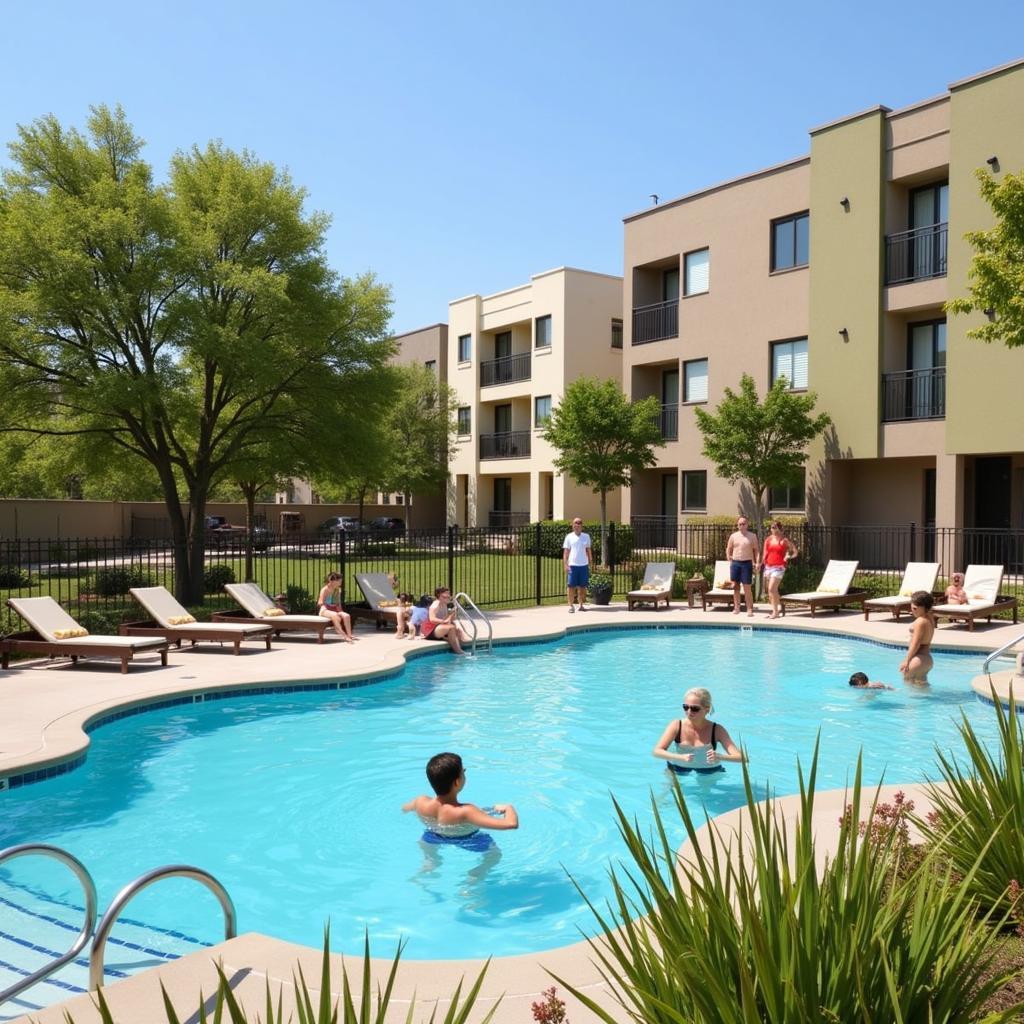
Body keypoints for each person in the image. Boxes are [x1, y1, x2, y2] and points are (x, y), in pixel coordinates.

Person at [402, 752, 519, 844]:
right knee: (494, 854)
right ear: (457, 782)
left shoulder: (420, 802)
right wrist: (509, 808)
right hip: (467, 839)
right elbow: (510, 824)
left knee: (429, 856)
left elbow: (404, 809)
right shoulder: (467, 811)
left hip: (432, 836)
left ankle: (429, 864)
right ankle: (476, 873)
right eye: (463, 772)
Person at [652, 687, 744, 774]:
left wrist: (720, 757)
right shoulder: (676, 725)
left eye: (694, 708)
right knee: (668, 789)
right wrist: (680, 757)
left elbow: (742, 758)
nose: (689, 711)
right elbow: (657, 751)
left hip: (708, 770)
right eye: (685, 707)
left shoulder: (717, 730)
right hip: (678, 767)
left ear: (707, 709)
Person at [761, 520, 798, 620]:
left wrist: (788, 557)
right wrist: (761, 565)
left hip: (779, 567)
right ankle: (779, 607)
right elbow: (765, 553)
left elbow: (795, 552)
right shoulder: (768, 540)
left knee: (771, 589)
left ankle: (775, 613)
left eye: (775, 527)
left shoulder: (784, 540)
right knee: (771, 592)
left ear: (780, 528)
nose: (773, 529)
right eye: (772, 527)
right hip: (768, 566)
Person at [726, 516, 760, 617]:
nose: (742, 525)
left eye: (744, 523)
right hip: (736, 563)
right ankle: (737, 608)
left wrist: (757, 562)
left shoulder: (752, 536)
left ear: (747, 524)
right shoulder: (733, 536)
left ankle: (749, 609)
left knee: (747, 588)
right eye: (740, 524)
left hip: (747, 563)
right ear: (737, 525)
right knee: (736, 587)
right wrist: (729, 559)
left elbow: (756, 550)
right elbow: (728, 548)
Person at [899, 590, 935, 684]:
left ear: (924, 607)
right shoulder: (930, 617)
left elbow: (916, 643)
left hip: (918, 659)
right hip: (927, 660)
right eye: (912, 608)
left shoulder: (920, 621)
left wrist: (906, 660)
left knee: (908, 687)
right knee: (921, 688)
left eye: (915, 608)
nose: (912, 611)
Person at [421, 586, 470, 654]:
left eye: (449, 594)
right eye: (446, 595)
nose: (449, 596)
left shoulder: (444, 604)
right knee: (451, 628)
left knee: (457, 629)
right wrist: (445, 620)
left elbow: (449, 619)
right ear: (439, 595)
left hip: (439, 628)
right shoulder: (435, 605)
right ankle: (458, 651)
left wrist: (453, 613)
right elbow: (432, 619)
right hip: (430, 630)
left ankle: (466, 648)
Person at [562, 517, 593, 613]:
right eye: (575, 523)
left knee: (582, 587)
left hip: (583, 565)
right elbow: (566, 552)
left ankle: (581, 605)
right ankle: (571, 606)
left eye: (579, 523)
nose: (577, 525)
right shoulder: (569, 537)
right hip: (572, 565)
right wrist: (565, 564)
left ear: (581, 526)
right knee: (571, 587)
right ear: (573, 525)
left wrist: (590, 562)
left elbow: (588, 550)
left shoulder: (586, 536)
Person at [316, 572, 356, 642]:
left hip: (334, 609)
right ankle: (343, 635)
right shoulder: (325, 589)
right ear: (333, 581)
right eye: (339, 581)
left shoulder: (337, 590)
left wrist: (341, 611)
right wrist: (327, 606)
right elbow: (320, 602)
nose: (340, 583)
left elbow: (338, 603)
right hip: (325, 610)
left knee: (346, 616)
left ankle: (349, 635)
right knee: (335, 615)